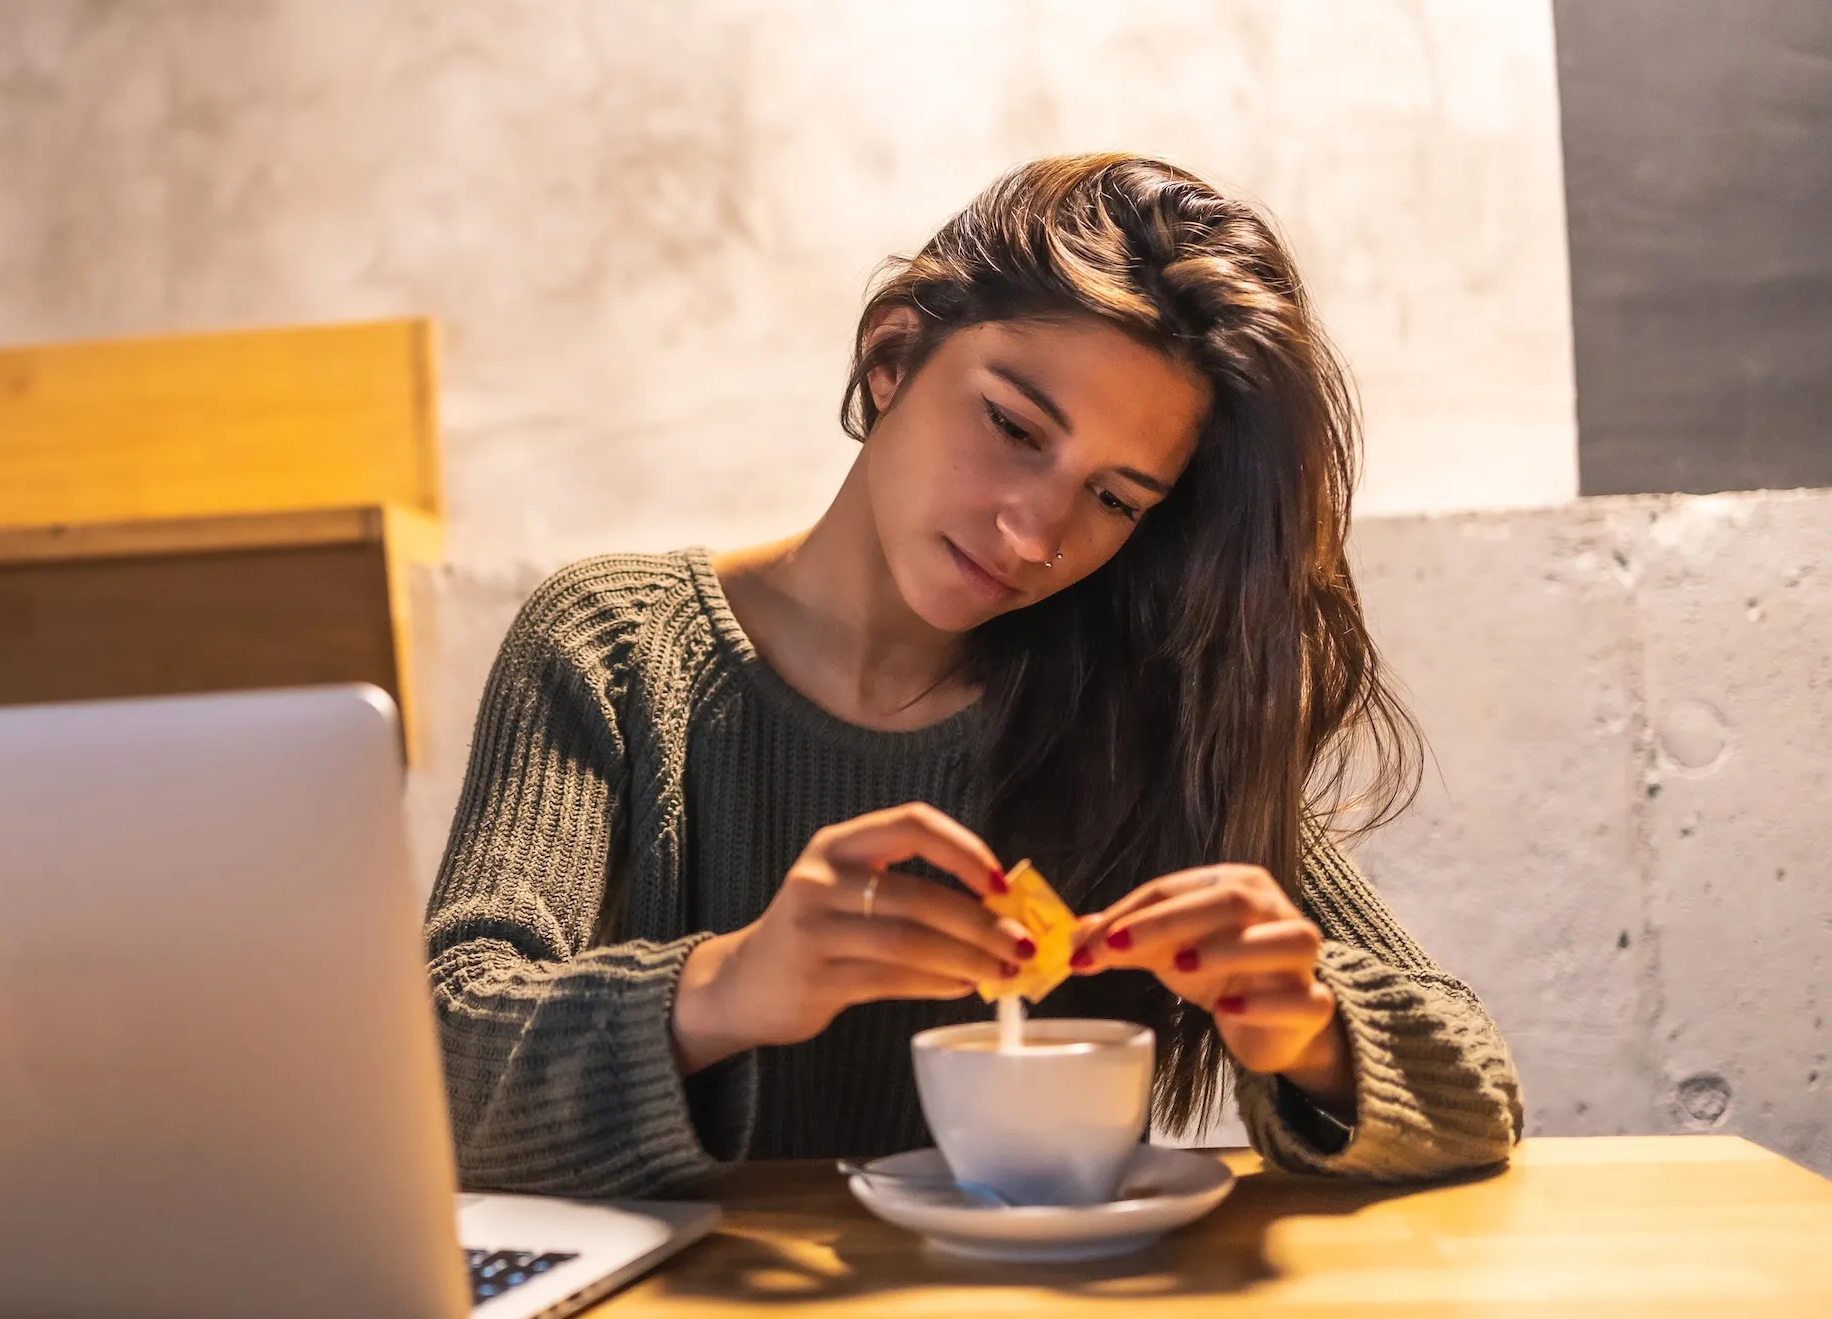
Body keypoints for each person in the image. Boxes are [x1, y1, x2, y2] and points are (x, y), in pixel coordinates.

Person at [423, 154, 1522, 1200]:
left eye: (1117, 499)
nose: (1035, 531)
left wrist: (1314, 1028)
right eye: (1012, 425)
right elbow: (441, 1064)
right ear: (891, 355)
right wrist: (728, 986)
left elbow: (1476, 1088)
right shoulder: (614, 649)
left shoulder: (1134, 708)